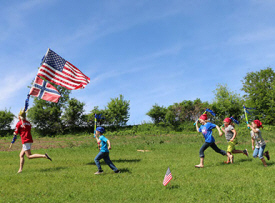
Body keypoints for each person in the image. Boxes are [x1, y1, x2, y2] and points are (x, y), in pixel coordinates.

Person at [10, 109, 52, 173]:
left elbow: (16, 133)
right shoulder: (28, 123)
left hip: (25, 140)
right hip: (29, 140)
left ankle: (44, 156)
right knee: (21, 155)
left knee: (29, 156)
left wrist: (14, 136)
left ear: (19, 116)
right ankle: (20, 170)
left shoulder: (18, 123)